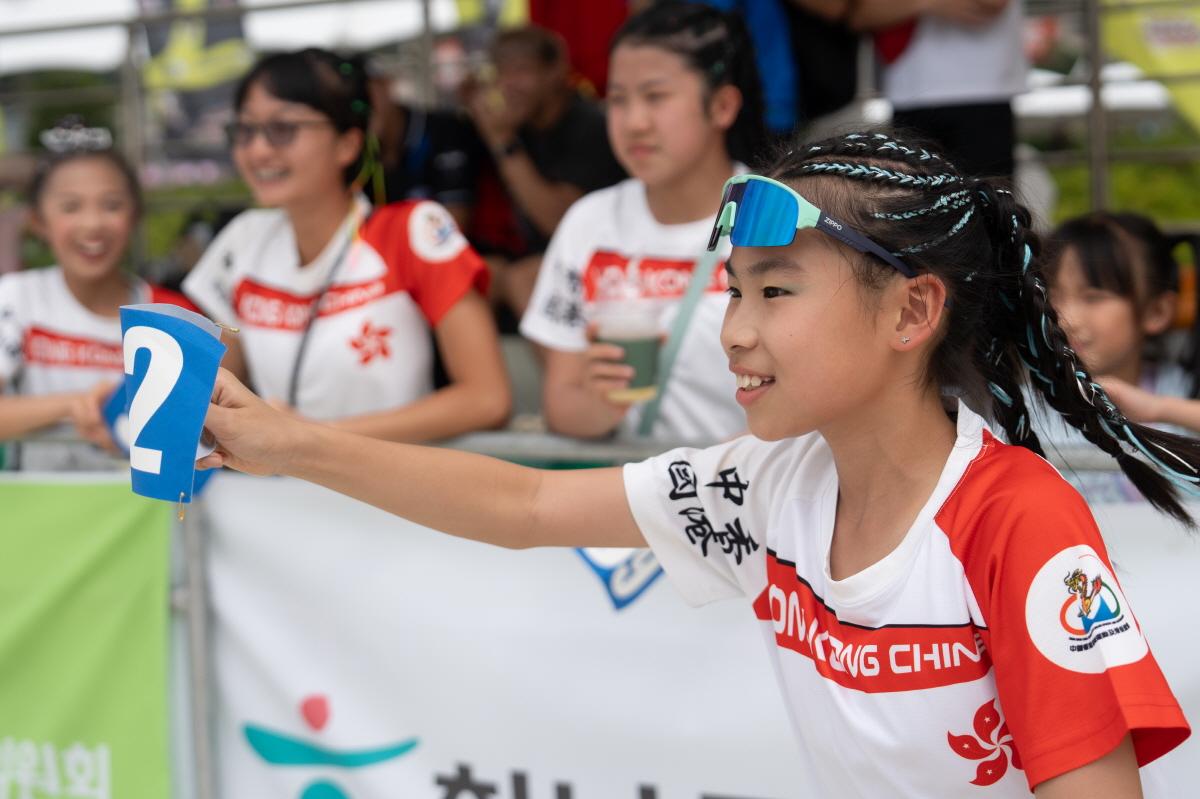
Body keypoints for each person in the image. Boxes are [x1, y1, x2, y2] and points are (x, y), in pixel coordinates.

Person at [201, 129, 1193, 797]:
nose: (735, 332)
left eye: (776, 292)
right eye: (734, 291)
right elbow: (529, 504)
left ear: (913, 310)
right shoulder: (769, 484)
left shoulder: (1017, 517)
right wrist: (291, 444)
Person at [183, 49, 511, 443]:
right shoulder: (243, 239)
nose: (257, 150)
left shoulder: (413, 231)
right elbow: (213, 385)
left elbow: (487, 399)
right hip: (275, 482)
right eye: (245, 130)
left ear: (348, 144)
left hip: (392, 482)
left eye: (283, 128)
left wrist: (312, 437)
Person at [520, 1, 767, 442]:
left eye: (656, 96)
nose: (634, 122)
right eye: (617, 99)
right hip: (632, 481)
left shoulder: (778, 218)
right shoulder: (589, 223)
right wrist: (600, 400)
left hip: (753, 479)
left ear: (722, 105)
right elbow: (562, 406)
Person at [0, 118, 194, 470]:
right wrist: (77, 405)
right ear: (38, 221)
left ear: (135, 215)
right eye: (71, 207)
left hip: (144, 503)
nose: (92, 225)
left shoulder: (172, 315)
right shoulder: (16, 297)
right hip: (36, 502)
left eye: (111, 205)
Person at [464, 25, 627, 319]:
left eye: (521, 70)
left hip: (605, 259)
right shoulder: (521, 124)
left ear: (555, 71)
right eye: (501, 72)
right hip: (538, 257)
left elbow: (556, 220)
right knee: (466, 274)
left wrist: (503, 142)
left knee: (522, 278)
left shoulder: (591, 125)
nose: (508, 83)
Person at [1041, 212, 1197, 441]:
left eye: (1093, 298)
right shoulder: (1028, 406)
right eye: (1052, 296)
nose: (1066, 320)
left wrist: (1158, 409)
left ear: (1156, 312)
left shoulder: (1181, 391)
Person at [851, 0, 1026, 179]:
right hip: (910, 91)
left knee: (985, 192)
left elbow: (992, 4)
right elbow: (860, 14)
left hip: (983, 91)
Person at [366, 59, 481, 230]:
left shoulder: (444, 129)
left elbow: (453, 227)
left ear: (386, 84)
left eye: (367, 89)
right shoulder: (354, 145)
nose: (364, 103)